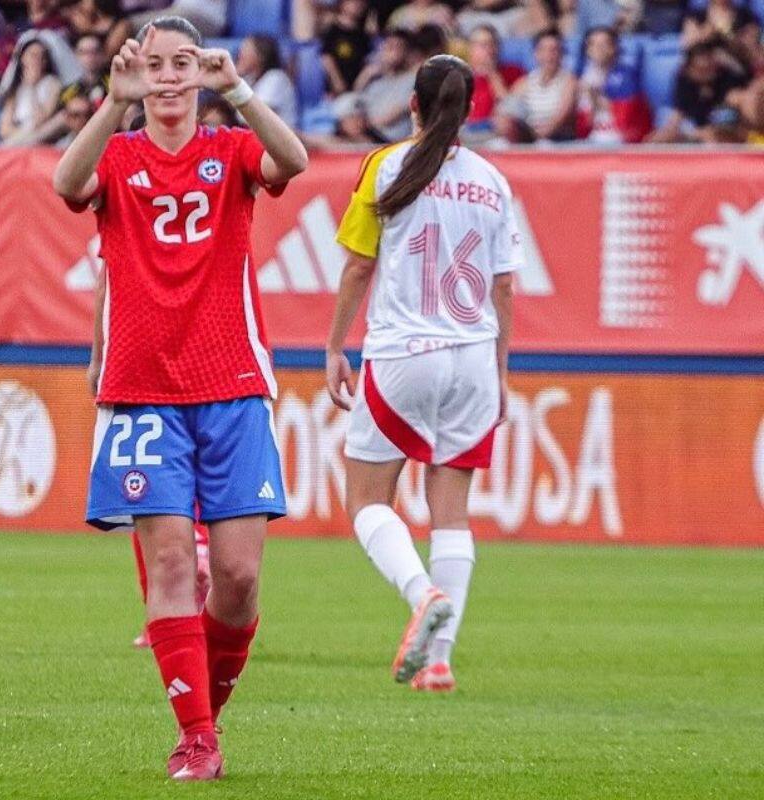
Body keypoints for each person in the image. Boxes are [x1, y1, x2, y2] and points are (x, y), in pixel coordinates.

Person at [53, 17, 307, 781]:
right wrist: (110, 103)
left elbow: (292, 160)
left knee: (237, 577)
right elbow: (67, 185)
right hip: (142, 393)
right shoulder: (120, 153)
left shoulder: (230, 150)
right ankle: (196, 735)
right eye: (154, 64)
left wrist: (240, 92)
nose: (166, 76)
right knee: (169, 563)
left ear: (201, 72)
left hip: (231, 384)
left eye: (182, 63)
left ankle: (205, 715)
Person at [327, 54, 520, 693]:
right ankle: (439, 660)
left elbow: (358, 267)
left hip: (405, 353)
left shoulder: (387, 166)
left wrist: (333, 346)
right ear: (470, 112)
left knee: (365, 501)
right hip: (473, 357)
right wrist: (500, 373)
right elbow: (505, 288)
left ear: (411, 105)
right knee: (452, 512)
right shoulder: (493, 181)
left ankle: (421, 593)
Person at [495, 28, 577, 143]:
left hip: (557, 140)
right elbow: (504, 110)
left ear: (561, 54)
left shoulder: (569, 82)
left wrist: (534, 139)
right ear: (536, 53)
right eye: (543, 50)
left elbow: (559, 120)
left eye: (553, 50)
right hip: (529, 137)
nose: (549, 56)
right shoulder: (525, 82)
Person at [575, 26, 652, 144]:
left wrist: (599, 99)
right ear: (587, 50)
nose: (598, 49)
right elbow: (583, 128)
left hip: (621, 142)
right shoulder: (584, 79)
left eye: (603, 44)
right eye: (593, 44)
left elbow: (628, 118)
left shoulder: (628, 76)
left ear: (614, 48)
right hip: (592, 142)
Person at [463, 24, 523, 142]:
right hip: (466, 132)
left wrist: (493, 74)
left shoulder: (513, 73)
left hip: (494, 133)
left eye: (493, 44)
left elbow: (510, 106)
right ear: (471, 49)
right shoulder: (460, 77)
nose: (489, 50)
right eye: (483, 45)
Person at [355, 29, 418, 143]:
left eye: (396, 48)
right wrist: (366, 75)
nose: (390, 51)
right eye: (387, 47)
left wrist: (364, 125)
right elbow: (356, 104)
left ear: (406, 52)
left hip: (390, 140)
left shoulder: (412, 80)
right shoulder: (376, 82)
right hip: (369, 136)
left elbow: (393, 115)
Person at [0, 37, 62, 143]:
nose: (38, 60)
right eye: (33, 55)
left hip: (41, 136)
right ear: (23, 58)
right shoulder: (15, 88)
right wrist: (22, 135)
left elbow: (41, 121)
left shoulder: (53, 84)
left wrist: (32, 88)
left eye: (43, 56)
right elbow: (4, 129)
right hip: (20, 137)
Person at [235, 34, 298, 128]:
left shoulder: (276, 77)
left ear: (261, 56)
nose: (240, 54)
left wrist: (234, 79)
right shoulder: (249, 79)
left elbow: (256, 117)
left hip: (278, 139)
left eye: (246, 49)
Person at [320, 0, 371, 97]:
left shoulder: (363, 36)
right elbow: (326, 58)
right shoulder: (332, 30)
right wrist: (337, 82)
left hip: (357, 91)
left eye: (361, 3)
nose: (358, 5)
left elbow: (365, 62)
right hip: (333, 90)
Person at [65, 0, 130, 60]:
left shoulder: (121, 24)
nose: (80, 5)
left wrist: (87, 30)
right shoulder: (79, 21)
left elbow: (107, 56)